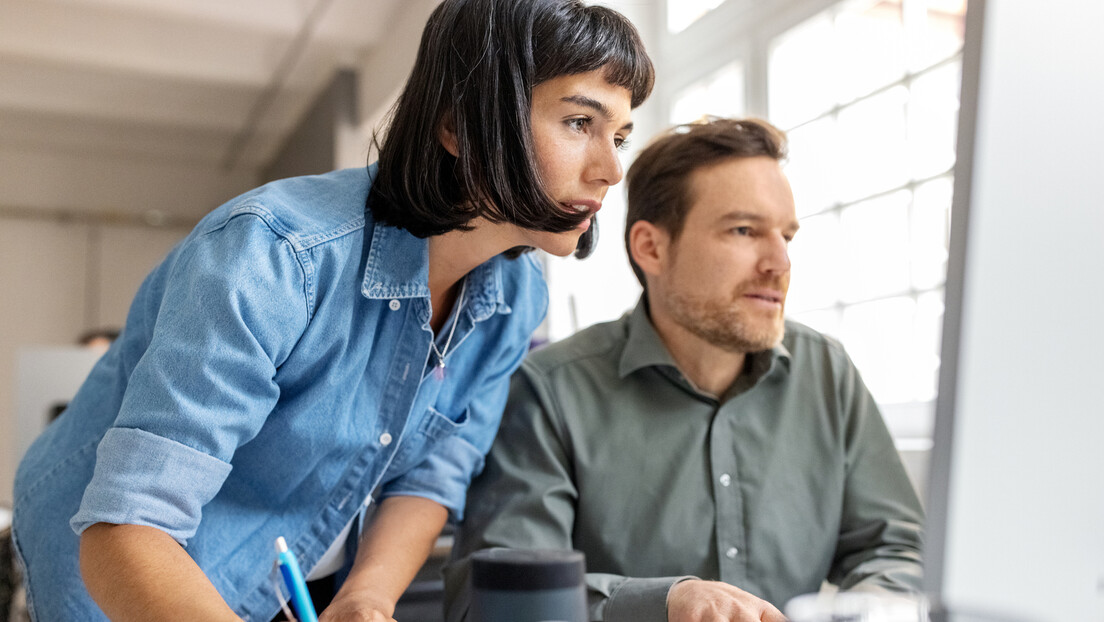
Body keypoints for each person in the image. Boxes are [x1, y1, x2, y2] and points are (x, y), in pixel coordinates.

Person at [11, 1, 653, 619]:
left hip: (287, 568)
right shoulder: (274, 254)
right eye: (579, 123)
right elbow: (131, 524)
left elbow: (432, 478)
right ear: (458, 127)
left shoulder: (516, 298)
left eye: (619, 136)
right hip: (122, 575)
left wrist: (365, 598)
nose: (610, 170)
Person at [444, 117, 925, 622]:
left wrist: (873, 607)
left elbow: (897, 550)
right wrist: (663, 603)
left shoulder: (828, 372)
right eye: (744, 230)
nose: (779, 263)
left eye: (786, 235)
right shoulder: (549, 391)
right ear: (651, 247)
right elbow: (488, 600)